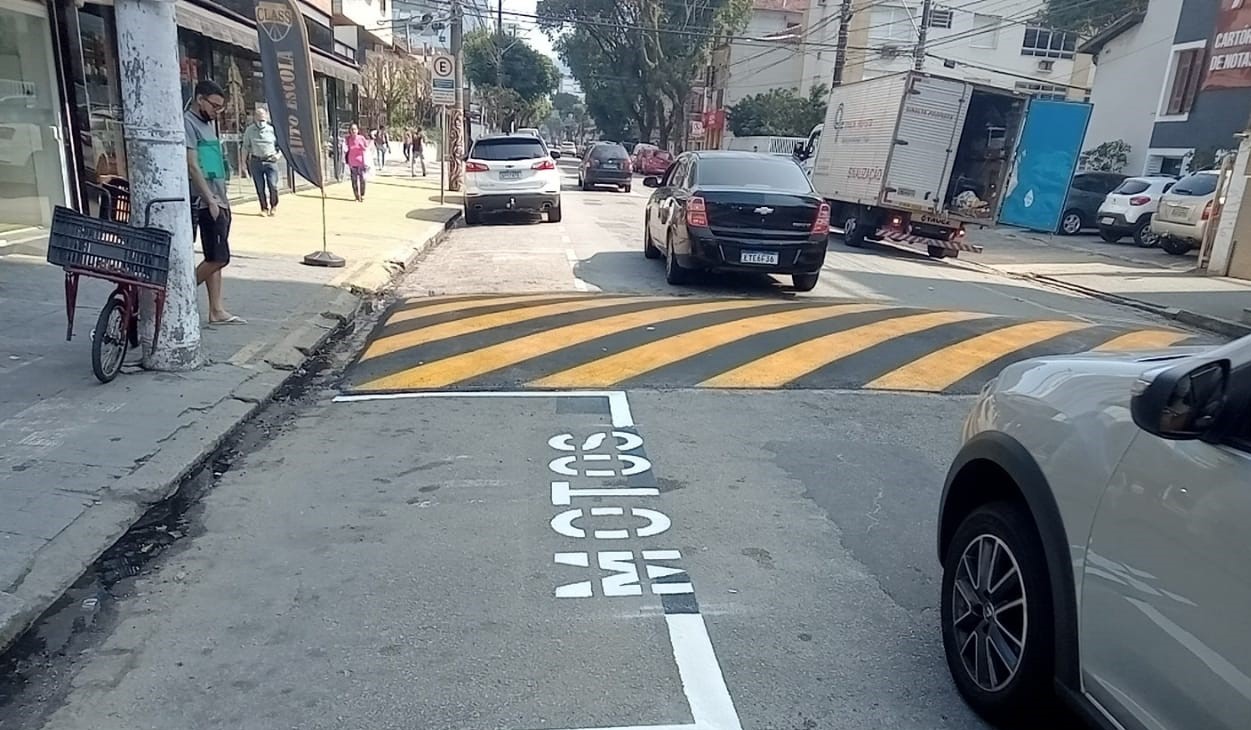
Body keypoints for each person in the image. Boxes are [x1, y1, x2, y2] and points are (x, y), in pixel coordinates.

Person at [185, 79, 243, 325]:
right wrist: (208, 199)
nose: (217, 112)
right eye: (214, 106)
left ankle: (216, 309)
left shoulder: (206, 124)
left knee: (214, 254)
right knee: (218, 257)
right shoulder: (188, 123)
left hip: (219, 197)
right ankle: (179, 295)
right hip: (205, 200)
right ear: (200, 99)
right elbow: (192, 165)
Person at [242, 106, 280, 216]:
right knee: (260, 187)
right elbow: (245, 147)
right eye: (259, 120)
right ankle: (264, 208)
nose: (261, 122)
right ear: (255, 118)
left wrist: (278, 156)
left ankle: (274, 206)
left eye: (263, 120)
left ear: (266, 118)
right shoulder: (250, 130)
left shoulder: (272, 130)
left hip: (270, 161)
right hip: (256, 161)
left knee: (273, 185)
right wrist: (243, 164)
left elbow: (281, 146)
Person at [346, 123, 370, 202]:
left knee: (362, 179)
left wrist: (362, 147)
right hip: (352, 162)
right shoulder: (348, 139)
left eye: (355, 129)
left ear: (357, 130)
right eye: (352, 129)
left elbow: (366, 148)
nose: (353, 131)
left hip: (361, 162)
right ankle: (356, 196)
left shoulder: (361, 138)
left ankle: (362, 194)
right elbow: (345, 149)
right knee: (354, 180)